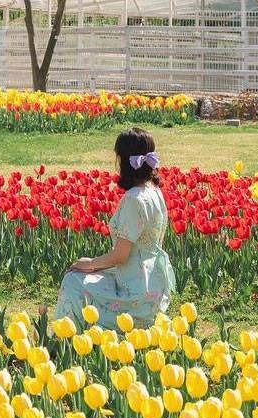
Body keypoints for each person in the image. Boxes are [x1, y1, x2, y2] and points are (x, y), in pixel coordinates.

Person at [54, 127, 176, 328]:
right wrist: (92, 263)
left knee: (73, 280)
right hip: (154, 284)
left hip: (134, 293)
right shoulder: (155, 192)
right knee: (84, 272)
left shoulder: (133, 200)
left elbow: (121, 256)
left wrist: (90, 263)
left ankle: (67, 340)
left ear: (122, 161)